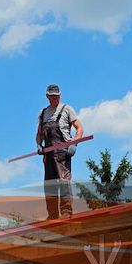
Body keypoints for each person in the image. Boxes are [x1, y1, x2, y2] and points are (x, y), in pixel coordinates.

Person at [35, 83, 82, 219]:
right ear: (47, 96)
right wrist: (39, 145)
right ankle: (53, 215)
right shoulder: (43, 113)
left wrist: (74, 144)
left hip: (63, 152)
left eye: (57, 96)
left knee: (64, 182)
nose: (55, 99)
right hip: (48, 154)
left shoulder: (66, 109)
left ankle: (66, 213)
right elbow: (39, 134)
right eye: (52, 96)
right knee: (50, 185)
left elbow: (79, 128)